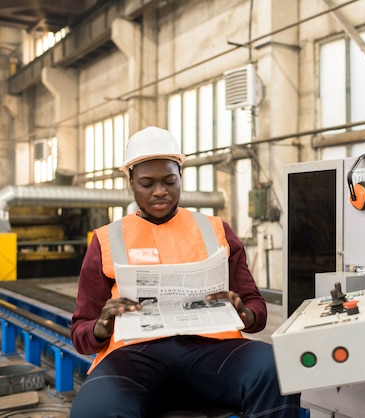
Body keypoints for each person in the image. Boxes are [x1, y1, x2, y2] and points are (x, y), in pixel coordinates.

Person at [70, 126, 301, 417]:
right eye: (146, 183)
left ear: (181, 175)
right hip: (134, 358)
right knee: (96, 410)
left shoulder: (215, 230)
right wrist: (101, 326)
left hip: (213, 352)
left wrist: (244, 312)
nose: (160, 192)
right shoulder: (106, 239)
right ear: (130, 180)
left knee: (275, 367)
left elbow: (255, 309)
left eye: (169, 180)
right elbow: (81, 332)